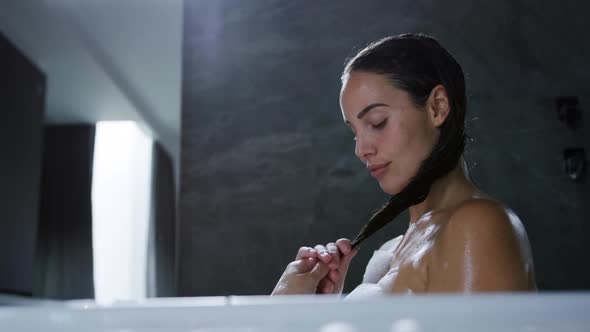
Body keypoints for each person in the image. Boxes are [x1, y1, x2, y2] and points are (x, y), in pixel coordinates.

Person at [271, 33, 537, 298]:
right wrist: (314, 312)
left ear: (437, 107)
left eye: (377, 122)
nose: (361, 149)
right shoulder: (392, 250)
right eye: (355, 131)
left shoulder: (477, 227)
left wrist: (285, 316)